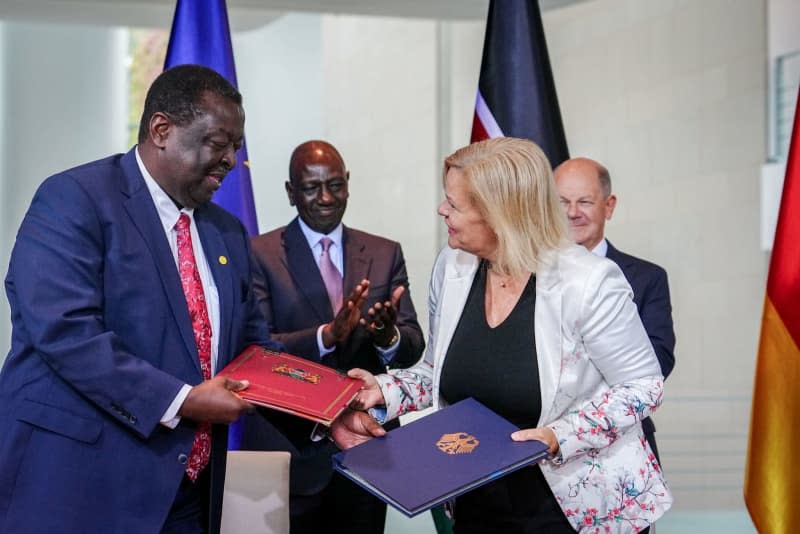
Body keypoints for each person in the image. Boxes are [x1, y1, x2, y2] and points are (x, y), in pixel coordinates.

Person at [0, 65, 381, 534]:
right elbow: (65, 332)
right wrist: (181, 401)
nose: (229, 161)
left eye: (237, 149)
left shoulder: (225, 232)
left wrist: (328, 411)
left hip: (187, 494)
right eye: (219, 144)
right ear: (162, 130)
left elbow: (254, 352)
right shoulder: (74, 199)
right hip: (80, 485)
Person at [351, 137, 672, 533]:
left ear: (499, 214)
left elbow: (644, 386)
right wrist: (384, 391)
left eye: (454, 203)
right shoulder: (453, 266)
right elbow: (437, 371)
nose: (442, 210)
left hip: (575, 508)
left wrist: (558, 437)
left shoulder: (588, 281)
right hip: (479, 503)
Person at [244, 140, 425, 533]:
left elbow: (411, 348)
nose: (325, 197)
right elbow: (256, 348)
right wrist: (327, 335)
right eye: (311, 187)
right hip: (291, 447)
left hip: (366, 447)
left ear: (348, 183)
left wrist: (387, 335)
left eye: (335, 185)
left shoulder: (383, 252)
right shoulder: (258, 252)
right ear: (291, 193)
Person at [554, 157, 675, 462]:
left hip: (622, 448)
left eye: (584, 202)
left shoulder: (648, 278)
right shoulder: (529, 275)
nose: (572, 212)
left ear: (608, 206)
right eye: (562, 202)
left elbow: (658, 361)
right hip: (545, 450)